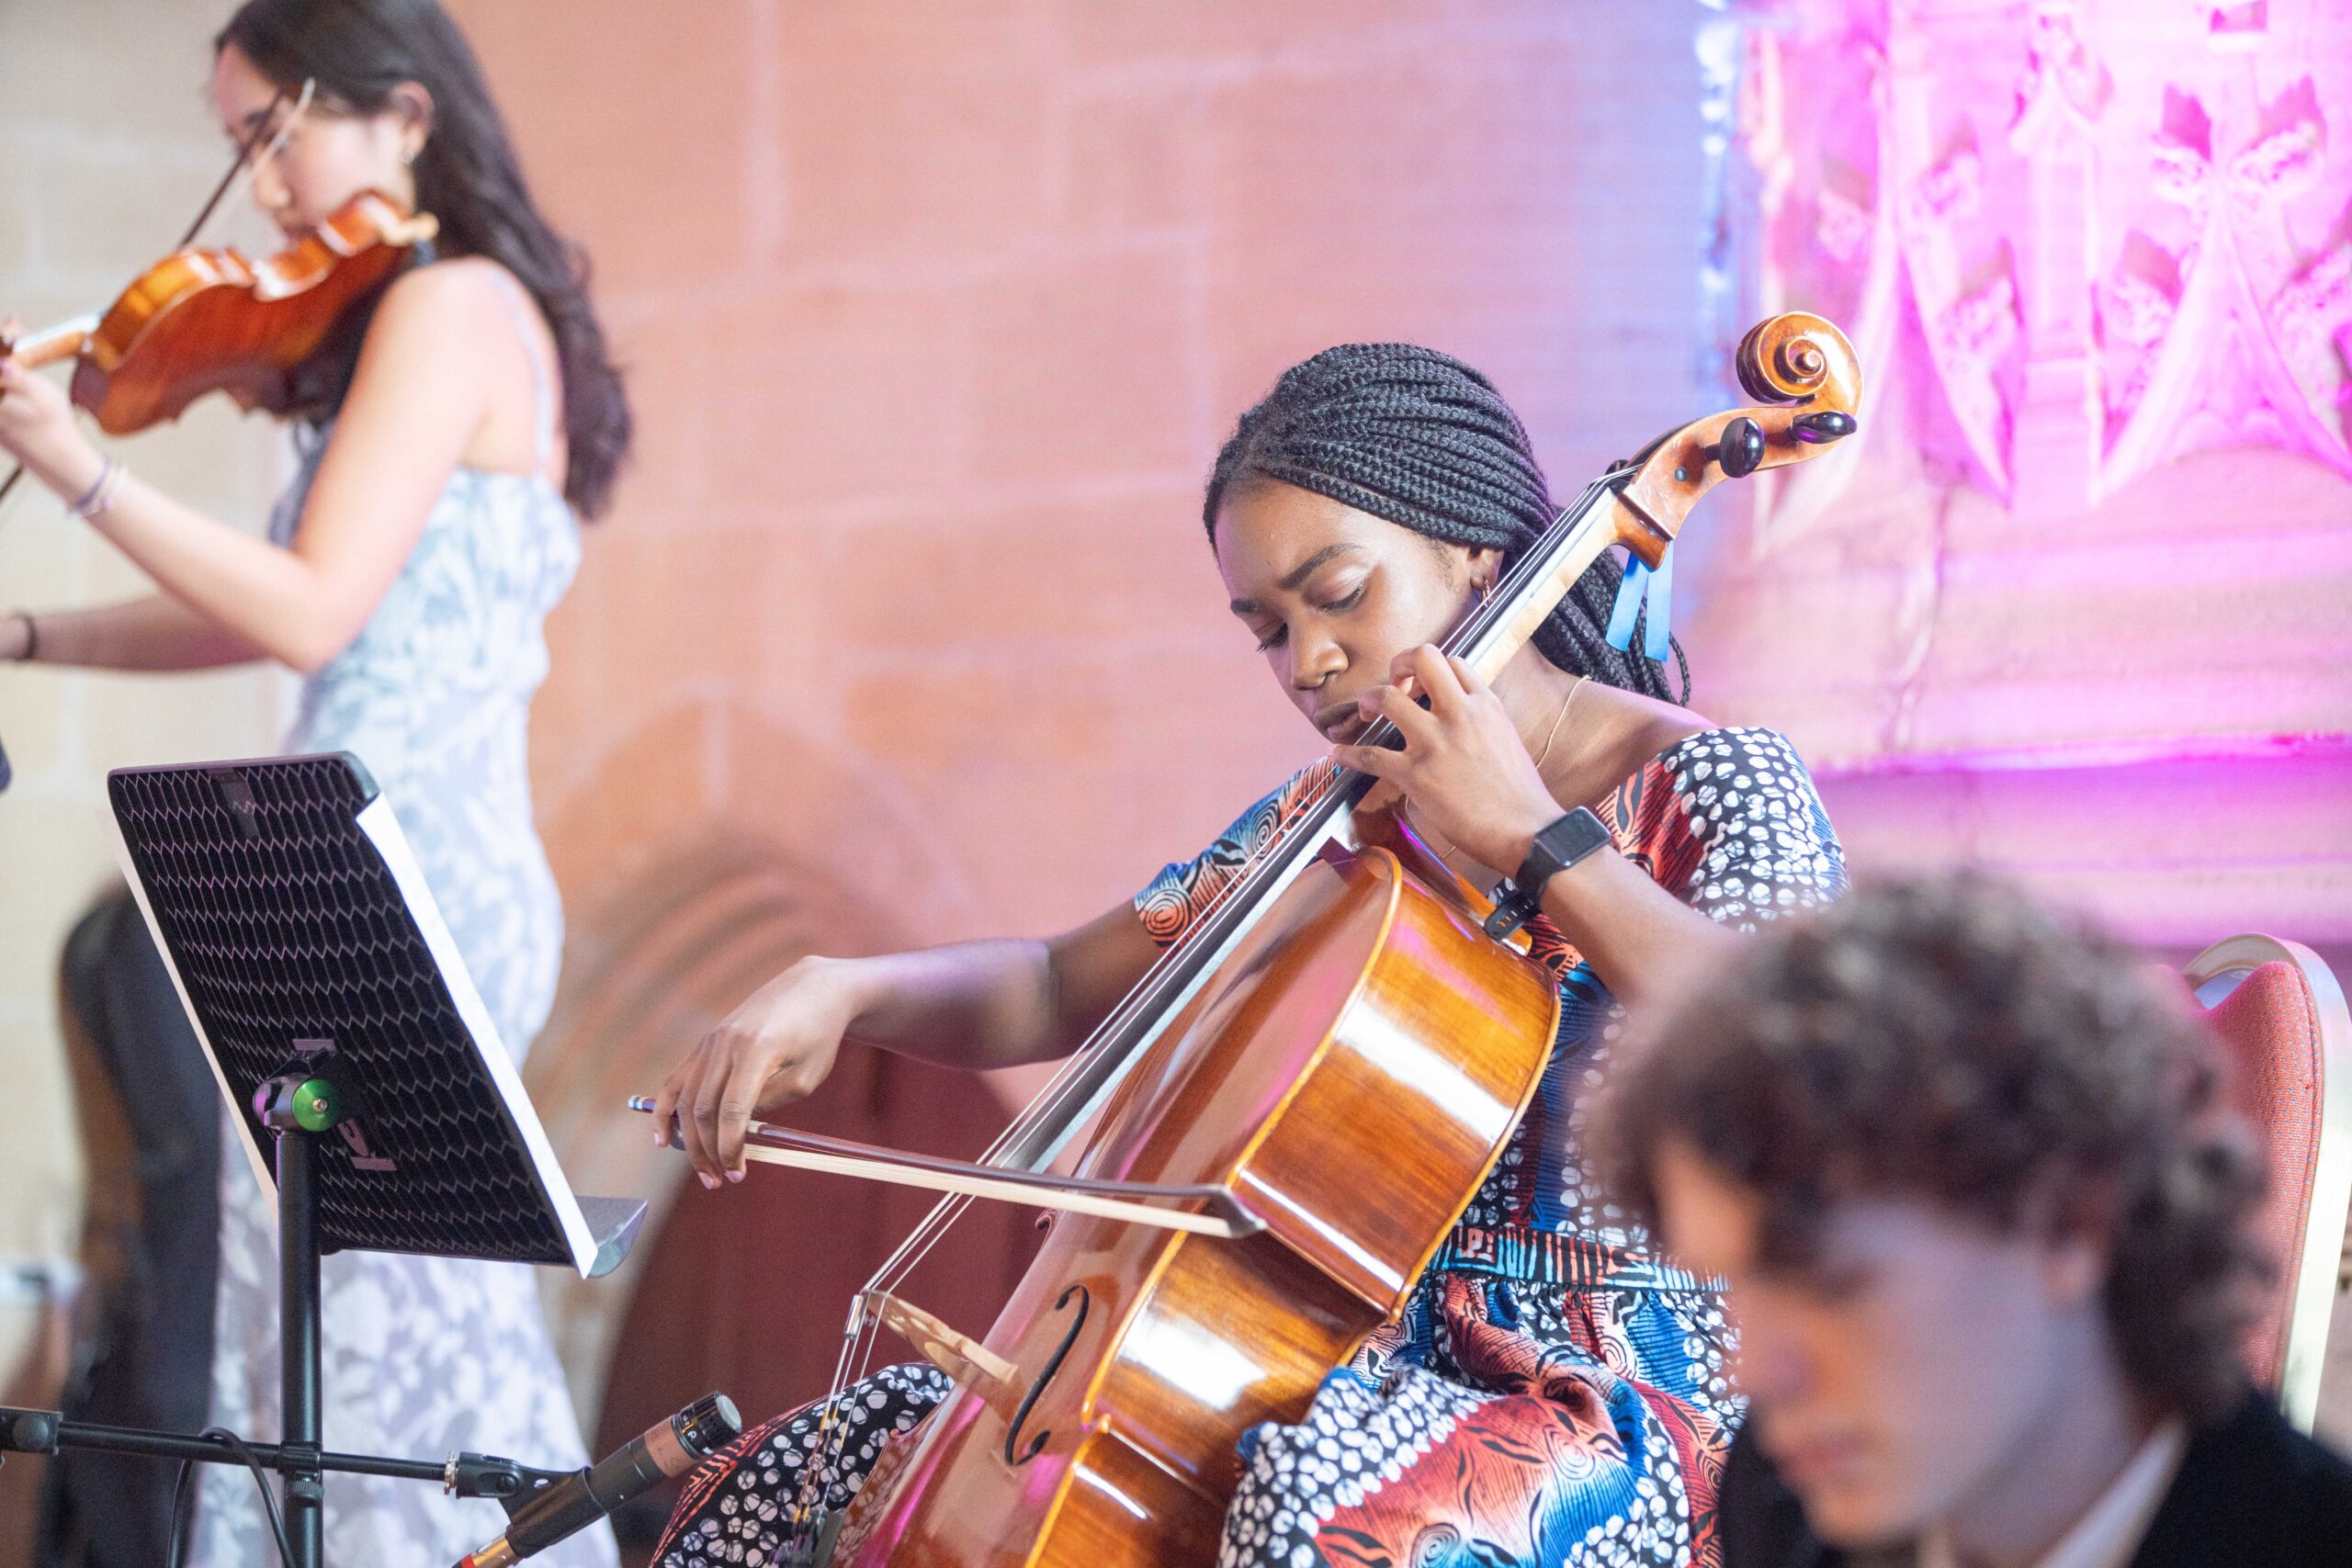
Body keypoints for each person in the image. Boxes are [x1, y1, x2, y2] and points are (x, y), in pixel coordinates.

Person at [648, 343, 1847, 1567]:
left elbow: (1801, 1054)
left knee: (1316, 1510)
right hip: (1345, 1362)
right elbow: (1060, 983)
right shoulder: (1329, 826)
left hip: (1611, 1396)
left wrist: (1529, 836)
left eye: (1339, 594)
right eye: (1267, 628)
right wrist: (845, 989)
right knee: (809, 1473)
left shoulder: (1707, 774)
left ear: (1477, 556)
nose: (1308, 661)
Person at [0, 3, 630, 1562]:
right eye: (239, 149)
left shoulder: (460, 304)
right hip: (340, 859)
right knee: (311, 1325)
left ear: (405, 117)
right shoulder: (409, 325)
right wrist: (25, 628)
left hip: (406, 866)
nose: (263, 186)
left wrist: (81, 471)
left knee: (394, 1330)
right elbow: (265, 604)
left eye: (273, 135)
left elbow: (308, 605)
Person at [1601, 873, 2352, 1568]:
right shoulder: (1778, 1501)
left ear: (2068, 1223)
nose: (1751, 1370)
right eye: (1735, 1284)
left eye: (1822, 1281)